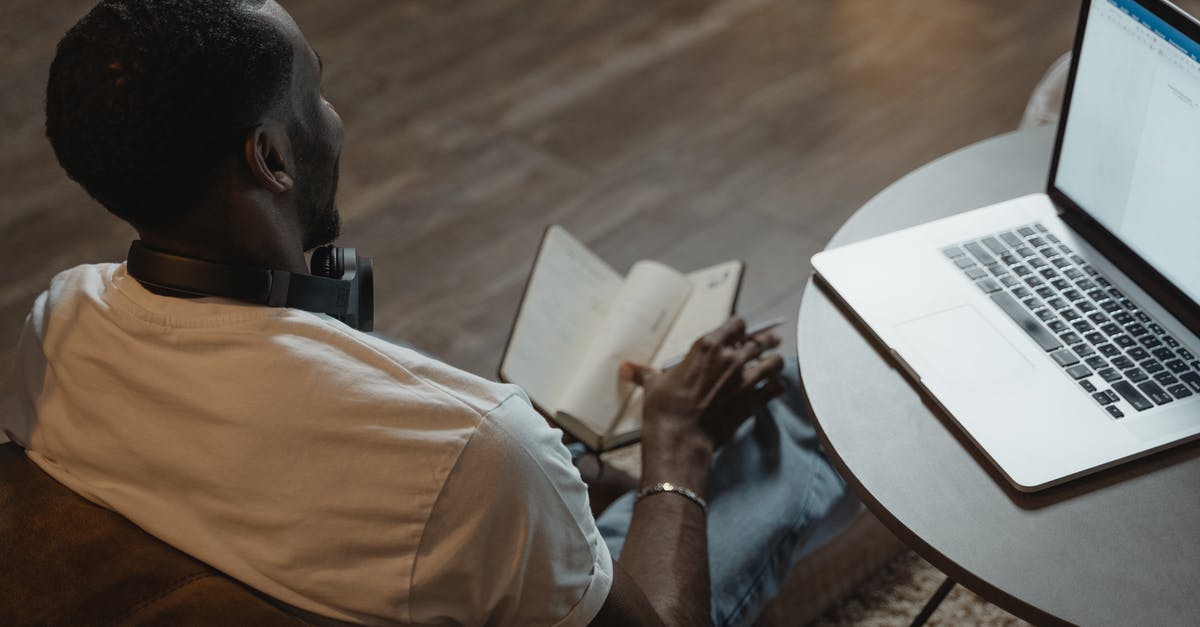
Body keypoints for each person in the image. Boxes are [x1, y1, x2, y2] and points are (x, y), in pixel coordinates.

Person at [3, 1, 852, 625]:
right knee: (792, 410)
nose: (332, 122)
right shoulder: (477, 454)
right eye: (318, 90)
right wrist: (679, 447)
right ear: (270, 157)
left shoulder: (55, 329)